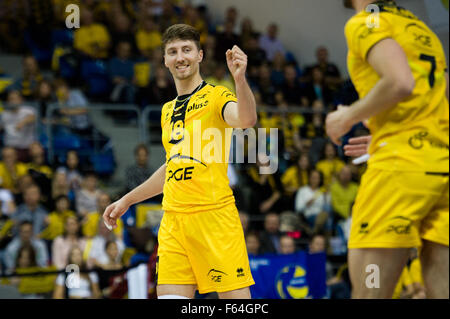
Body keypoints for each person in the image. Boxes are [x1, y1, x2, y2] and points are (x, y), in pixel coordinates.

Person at [103, 24, 257, 299]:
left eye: (186, 49)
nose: (180, 57)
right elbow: (171, 168)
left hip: (213, 217)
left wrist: (240, 80)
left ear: (199, 55)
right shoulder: (166, 111)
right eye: (172, 51)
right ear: (164, 60)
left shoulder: (216, 96)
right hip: (174, 221)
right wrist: (127, 200)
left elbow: (245, 120)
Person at [326, 0, 449, 299]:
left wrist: (347, 116)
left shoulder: (365, 21)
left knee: (369, 291)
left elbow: (399, 82)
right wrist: (386, 131)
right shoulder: (423, 31)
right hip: (440, 164)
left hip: (399, 168)